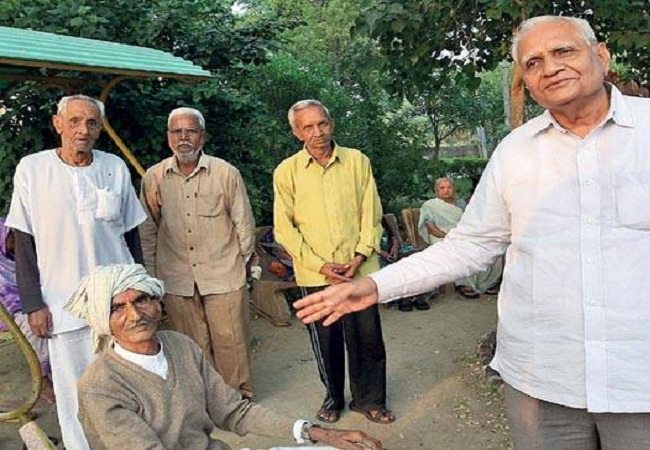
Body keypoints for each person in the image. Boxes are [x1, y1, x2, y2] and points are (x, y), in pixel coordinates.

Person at [293, 16, 650, 450]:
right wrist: (376, 285)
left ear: (600, 56)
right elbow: (471, 244)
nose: (551, 68)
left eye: (564, 52)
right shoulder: (515, 152)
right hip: (542, 388)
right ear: (525, 79)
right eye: (533, 62)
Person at [66, 264, 382, 450]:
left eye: (142, 300)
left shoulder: (178, 345)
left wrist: (320, 434)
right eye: (117, 308)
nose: (135, 315)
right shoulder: (100, 385)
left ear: (159, 303)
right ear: (101, 320)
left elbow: (234, 411)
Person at [6, 94, 147, 449]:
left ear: (100, 128)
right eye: (74, 121)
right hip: (62, 303)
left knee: (127, 381)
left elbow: (131, 235)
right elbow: (23, 242)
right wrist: (33, 303)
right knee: (73, 391)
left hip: (118, 302)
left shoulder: (114, 166)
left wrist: (143, 294)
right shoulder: (32, 169)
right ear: (57, 124)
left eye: (91, 123)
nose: (82, 130)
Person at [273, 99, 394, 424]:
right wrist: (321, 266)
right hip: (315, 275)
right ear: (297, 132)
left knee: (367, 337)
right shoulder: (287, 172)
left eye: (322, 124)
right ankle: (333, 398)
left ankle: (370, 400)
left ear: (332, 123)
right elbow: (285, 228)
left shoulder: (357, 161)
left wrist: (359, 255)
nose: (317, 132)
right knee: (326, 342)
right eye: (308, 127)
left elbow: (372, 212)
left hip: (360, 270)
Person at [140, 107, 257, 399]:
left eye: (190, 131)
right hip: (176, 275)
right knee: (190, 342)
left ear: (202, 136)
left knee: (231, 339)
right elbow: (149, 230)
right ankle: (204, 397)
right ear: (168, 137)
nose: (183, 138)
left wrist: (242, 265)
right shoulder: (154, 177)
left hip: (224, 272)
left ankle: (236, 397)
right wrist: (154, 277)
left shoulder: (226, 173)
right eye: (176, 131)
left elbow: (244, 222)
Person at [418, 177, 502, 299]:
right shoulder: (430, 205)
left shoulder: (460, 203)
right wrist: (450, 237)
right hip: (441, 236)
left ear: (453, 189)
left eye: (449, 187)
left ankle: (488, 283)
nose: (446, 190)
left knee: (490, 247)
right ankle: (464, 284)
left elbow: (470, 221)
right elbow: (431, 229)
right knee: (461, 250)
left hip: (462, 234)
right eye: (442, 188)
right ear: (437, 190)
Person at [0, 218, 54, 404]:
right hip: (8, 303)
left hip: (33, 289)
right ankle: (43, 379)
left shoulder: (14, 227)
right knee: (33, 325)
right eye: (13, 241)